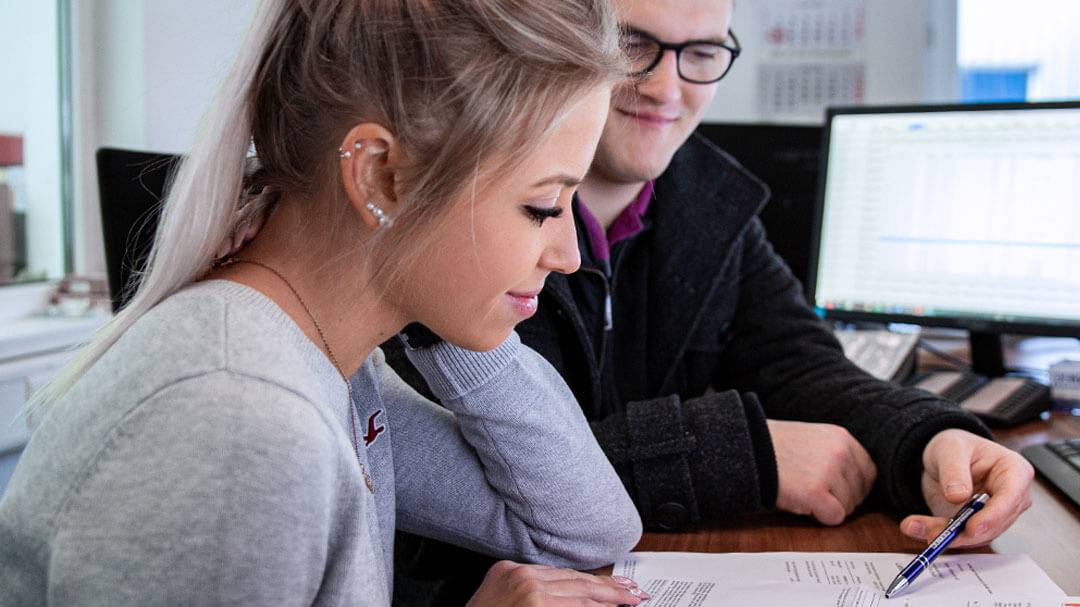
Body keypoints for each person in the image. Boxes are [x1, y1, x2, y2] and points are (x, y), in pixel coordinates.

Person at [0, 1, 651, 605]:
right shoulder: (240, 422)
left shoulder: (336, 362)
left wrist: (440, 299)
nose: (569, 254)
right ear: (380, 175)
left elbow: (589, 526)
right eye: (541, 205)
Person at [385, 0, 1036, 603]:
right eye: (632, 43)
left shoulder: (707, 196)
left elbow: (797, 364)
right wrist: (739, 451)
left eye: (701, 52)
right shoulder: (464, 230)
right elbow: (467, 471)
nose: (667, 89)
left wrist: (930, 440)